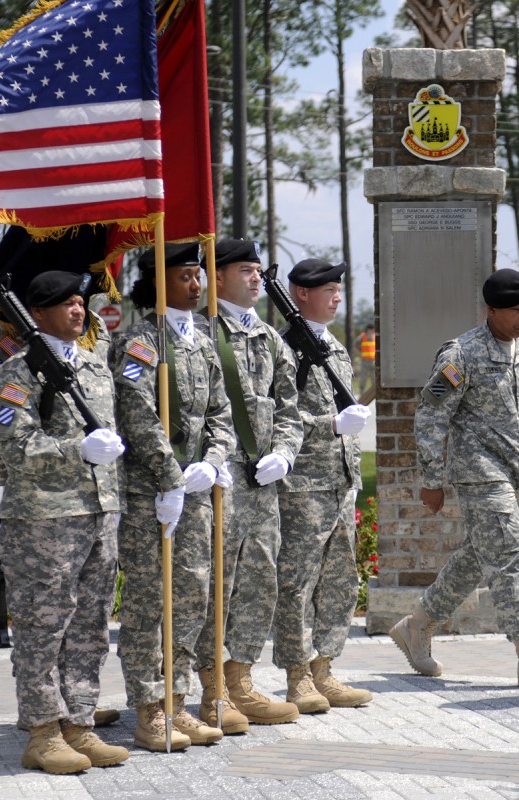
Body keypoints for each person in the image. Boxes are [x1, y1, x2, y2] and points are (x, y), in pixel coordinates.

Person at [389, 269, 519, 689]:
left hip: (514, 473)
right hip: (479, 472)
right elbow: (432, 415)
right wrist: (432, 479)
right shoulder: (462, 354)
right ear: (490, 310)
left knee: (479, 555)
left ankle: (418, 624)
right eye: (516, 311)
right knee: (511, 553)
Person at [0, 271, 128, 774]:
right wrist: (77, 450)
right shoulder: (17, 374)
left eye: (79, 302)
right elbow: (12, 447)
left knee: (89, 625)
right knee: (43, 626)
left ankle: (79, 724)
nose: (77, 310)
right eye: (65, 304)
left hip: (98, 512)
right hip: (42, 519)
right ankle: (43, 732)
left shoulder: (93, 366)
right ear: (38, 314)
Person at [111, 243, 234, 751]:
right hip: (153, 495)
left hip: (197, 493)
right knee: (147, 602)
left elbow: (223, 413)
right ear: (157, 283)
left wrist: (214, 459)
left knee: (190, 597)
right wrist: (170, 476)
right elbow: (137, 413)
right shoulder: (142, 342)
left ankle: (176, 701)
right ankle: (147, 707)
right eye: (185, 276)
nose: (197, 285)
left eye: (199, 275)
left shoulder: (202, 342)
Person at [193, 239, 302, 732]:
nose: (257, 278)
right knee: (217, 583)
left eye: (259, 270)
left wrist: (284, 451)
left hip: (262, 479)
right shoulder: (199, 332)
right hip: (218, 477)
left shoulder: (270, 338)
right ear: (217, 277)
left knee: (260, 578)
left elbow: (290, 409)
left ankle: (241, 680)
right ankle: (212, 688)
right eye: (245, 270)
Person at [272, 258, 373, 713]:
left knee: (339, 580)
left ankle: (324, 668)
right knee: (298, 582)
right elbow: (278, 417)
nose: (336, 296)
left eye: (338, 289)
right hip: (303, 485)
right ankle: (297, 677)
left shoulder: (333, 347)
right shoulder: (285, 347)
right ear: (299, 294)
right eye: (327, 289)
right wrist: (330, 424)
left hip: (339, 481)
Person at [357, 323, 376, 394]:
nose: (372, 331)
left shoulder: (375, 336)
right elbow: (356, 344)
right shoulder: (362, 336)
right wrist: (360, 349)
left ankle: (374, 393)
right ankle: (362, 393)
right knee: (363, 377)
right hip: (365, 360)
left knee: (374, 378)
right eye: (371, 329)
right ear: (368, 329)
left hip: (374, 360)